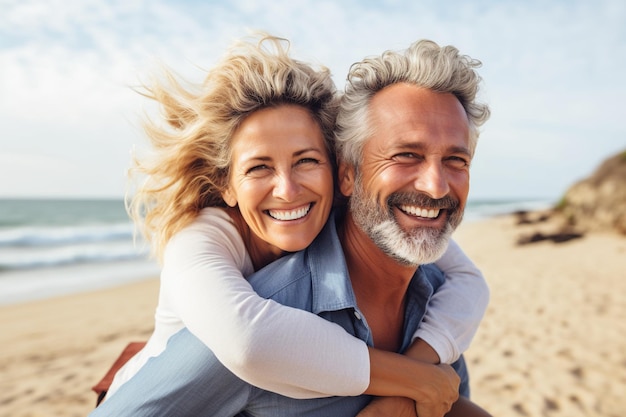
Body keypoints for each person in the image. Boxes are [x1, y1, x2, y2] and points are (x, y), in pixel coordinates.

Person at [93, 35, 490, 416]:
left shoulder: (425, 284)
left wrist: (418, 377)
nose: (287, 190)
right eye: (259, 167)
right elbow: (246, 341)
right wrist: (413, 379)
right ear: (226, 184)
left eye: (306, 161)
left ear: (336, 173)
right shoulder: (211, 255)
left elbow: (468, 281)